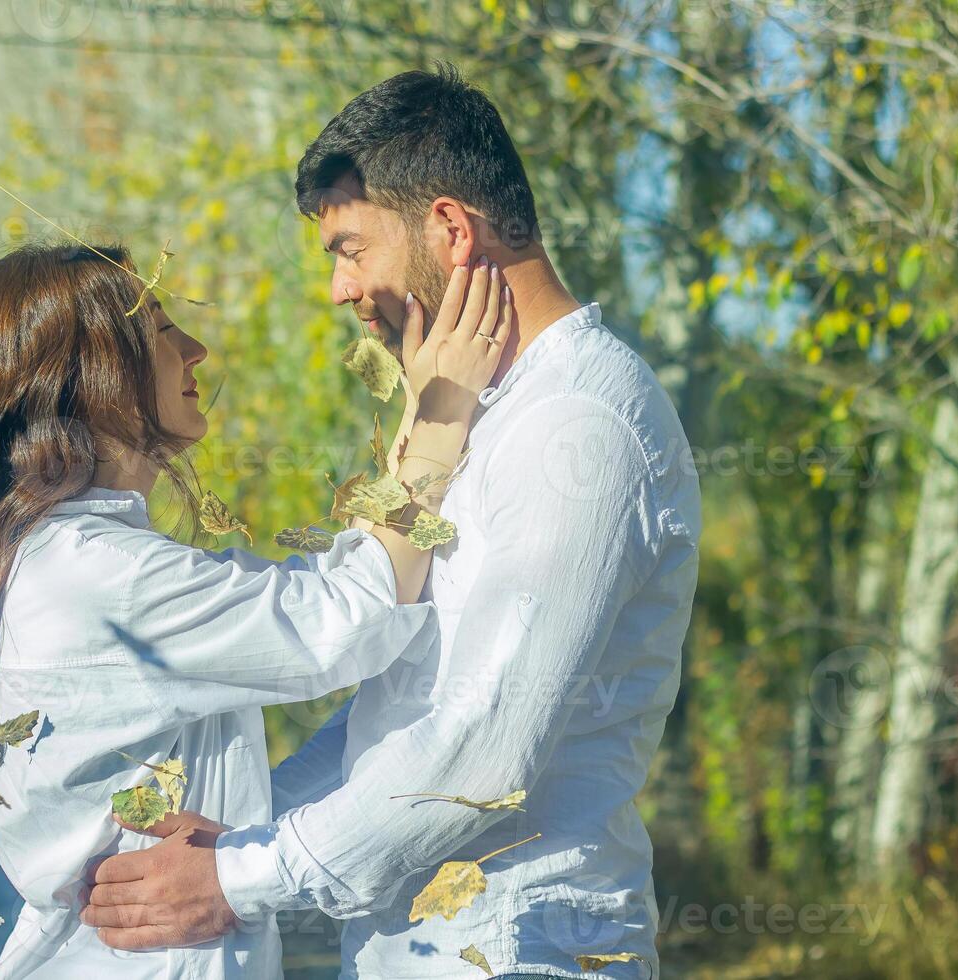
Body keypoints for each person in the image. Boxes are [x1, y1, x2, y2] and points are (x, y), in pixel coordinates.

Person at [82, 64, 702, 980]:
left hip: (522, 945)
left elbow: (486, 747)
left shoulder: (580, 424)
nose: (339, 288)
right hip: (421, 946)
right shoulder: (487, 415)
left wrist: (243, 877)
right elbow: (403, 703)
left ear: (450, 229)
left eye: (348, 247)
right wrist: (249, 835)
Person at [0, 241, 511, 979]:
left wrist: (413, 407)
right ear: (95, 379)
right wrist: (442, 411)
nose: (197, 349)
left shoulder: (64, 557)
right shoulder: (101, 575)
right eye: (160, 332)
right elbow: (350, 616)